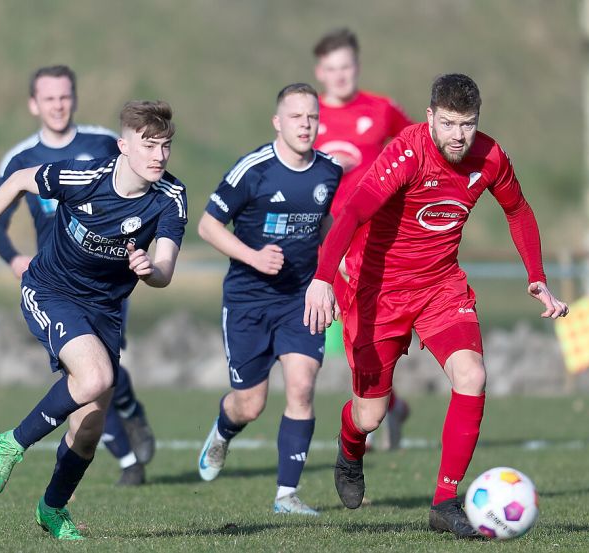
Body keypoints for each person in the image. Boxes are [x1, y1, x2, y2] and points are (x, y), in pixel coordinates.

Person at [303, 74, 568, 538]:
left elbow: (519, 210)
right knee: (370, 414)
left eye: (466, 124)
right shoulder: (407, 152)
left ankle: (445, 500)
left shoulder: (489, 157)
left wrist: (538, 278)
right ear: (430, 117)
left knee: (473, 375)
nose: (458, 136)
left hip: (440, 287)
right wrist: (322, 278)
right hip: (377, 290)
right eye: (447, 124)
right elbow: (353, 212)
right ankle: (349, 446)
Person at [0, 100, 187, 540]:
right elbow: (21, 180)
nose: (158, 155)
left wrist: (148, 270)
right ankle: (11, 443)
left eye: (165, 145)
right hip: (51, 290)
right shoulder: (86, 178)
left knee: (88, 427)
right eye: (148, 144)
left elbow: (165, 271)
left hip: (105, 311)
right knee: (97, 376)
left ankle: (52, 508)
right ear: (123, 146)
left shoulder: (170, 197)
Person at [0, 65, 156, 486]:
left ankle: (130, 412)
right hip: (56, 284)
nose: (58, 105)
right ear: (34, 104)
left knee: (100, 372)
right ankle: (126, 460)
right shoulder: (20, 158)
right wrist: (12, 259)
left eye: (64, 96)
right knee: (86, 373)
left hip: (108, 280)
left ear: (74, 98)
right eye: (49, 98)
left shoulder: (103, 143)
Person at [196, 83, 341, 516]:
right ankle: (223, 432)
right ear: (278, 122)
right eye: (296, 117)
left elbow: (331, 224)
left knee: (302, 385)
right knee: (250, 404)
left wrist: (331, 275)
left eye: (312, 117)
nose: (306, 125)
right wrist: (253, 257)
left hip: (300, 298)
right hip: (248, 301)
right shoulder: (253, 170)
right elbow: (207, 226)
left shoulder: (329, 172)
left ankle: (286, 495)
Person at [312, 28, 413, 450]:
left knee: (368, 325)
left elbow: (418, 146)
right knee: (346, 327)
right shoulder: (308, 114)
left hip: (375, 237)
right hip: (326, 236)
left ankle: (374, 409)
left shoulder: (381, 109)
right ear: (319, 72)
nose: (340, 75)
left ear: (357, 66)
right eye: (331, 68)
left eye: (346, 66)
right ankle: (389, 405)